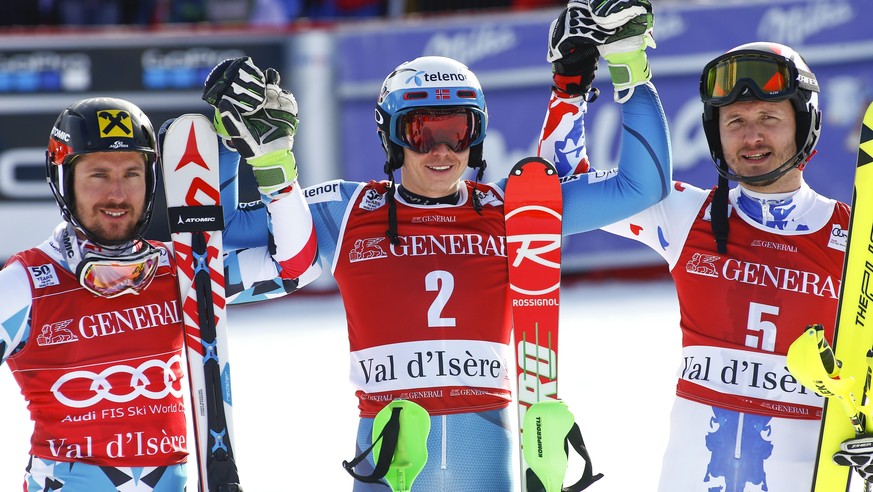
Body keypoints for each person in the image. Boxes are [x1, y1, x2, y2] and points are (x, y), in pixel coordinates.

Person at [204, 0, 667, 489]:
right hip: (389, 459)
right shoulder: (345, 210)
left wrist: (628, 64)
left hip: (484, 457)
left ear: (479, 134)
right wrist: (234, 140)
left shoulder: (512, 209)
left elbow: (642, 187)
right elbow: (225, 226)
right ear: (391, 137)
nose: (442, 150)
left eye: (458, 130)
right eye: (421, 132)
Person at [539, 32, 861, 489]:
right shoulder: (684, 213)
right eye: (734, 121)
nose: (751, 136)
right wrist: (569, 89)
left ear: (805, 123)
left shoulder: (855, 239)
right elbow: (552, 199)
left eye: (769, 117)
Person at [0, 96, 318, 491]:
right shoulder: (26, 284)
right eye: (98, 174)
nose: (117, 194)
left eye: (132, 174)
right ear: (63, 180)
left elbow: (295, 267)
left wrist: (275, 170)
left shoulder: (182, 269)